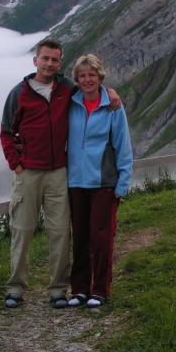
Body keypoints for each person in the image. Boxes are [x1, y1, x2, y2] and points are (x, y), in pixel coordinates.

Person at [0, 40, 120, 310]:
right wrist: (16, 164)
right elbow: (6, 131)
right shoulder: (19, 94)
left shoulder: (66, 89)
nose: (50, 64)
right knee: (22, 230)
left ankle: (57, 290)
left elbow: (92, 88)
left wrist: (111, 92)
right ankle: (16, 288)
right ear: (35, 61)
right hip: (28, 171)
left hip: (58, 172)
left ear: (60, 62)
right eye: (45, 59)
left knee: (60, 233)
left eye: (55, 60)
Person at [66, 54, 133, 308]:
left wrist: (123, 182)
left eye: (91, 75)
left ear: (100, 77)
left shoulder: (113, 106)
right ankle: (80, 289)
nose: (86, 80)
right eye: (82, 76)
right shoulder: (71, 103)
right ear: (77, 79)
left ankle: (100, 290)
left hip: (104, 182)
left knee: (102, 238)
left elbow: (122, 145)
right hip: (76, 182)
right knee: (81, 237)